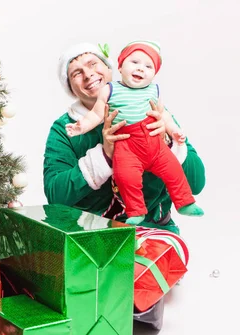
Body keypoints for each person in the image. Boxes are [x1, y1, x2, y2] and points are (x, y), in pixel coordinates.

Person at [44, 42, 206, 235]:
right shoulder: (66, 128)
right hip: (93, 236)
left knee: (142, 265)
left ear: (110, 68)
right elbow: (56, 196)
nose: (88, 74)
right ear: (70, 87)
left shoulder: (150, 110)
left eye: (93, 64)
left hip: (154, 230)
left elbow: (196, 183)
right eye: (76, 73)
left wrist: (167, 141)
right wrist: (104, 156)